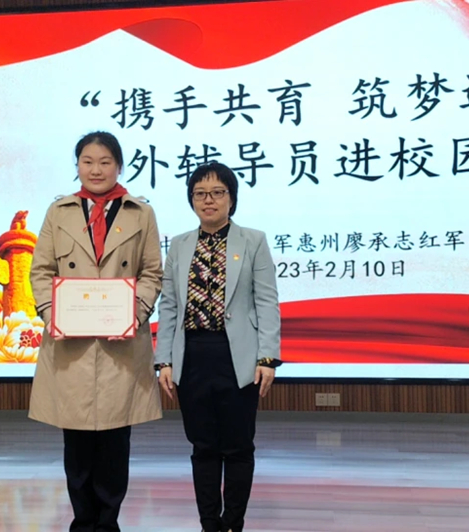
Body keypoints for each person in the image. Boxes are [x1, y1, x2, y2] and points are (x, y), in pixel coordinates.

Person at [29, 131, 163, 532]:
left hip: (121, 346)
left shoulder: (141, 213)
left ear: (119, 166)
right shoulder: (59, 212)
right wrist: (52, 313)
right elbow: (41, 271)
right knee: (77, 445)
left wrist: (134, 313)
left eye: (105, 162)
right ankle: (82, 522)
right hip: (71, 346)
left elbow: (152, 273)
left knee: (115, 445)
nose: (96, 169)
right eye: (87, 161)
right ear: (77, 166)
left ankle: (108, 523)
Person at [154, 161, 281, 532]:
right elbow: (169, 306)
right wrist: (164, 360)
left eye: (217, 193)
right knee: (203, 446)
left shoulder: (253, 240)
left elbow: (266, 301)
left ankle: (233, 522)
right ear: (191, 200)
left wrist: (267, 357)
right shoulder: (179, 245)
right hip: (192, 356)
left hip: (237, 357)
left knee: (238, 446)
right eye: (200, 193)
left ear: (232, 198)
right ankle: (209, 523)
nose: (208, 200)